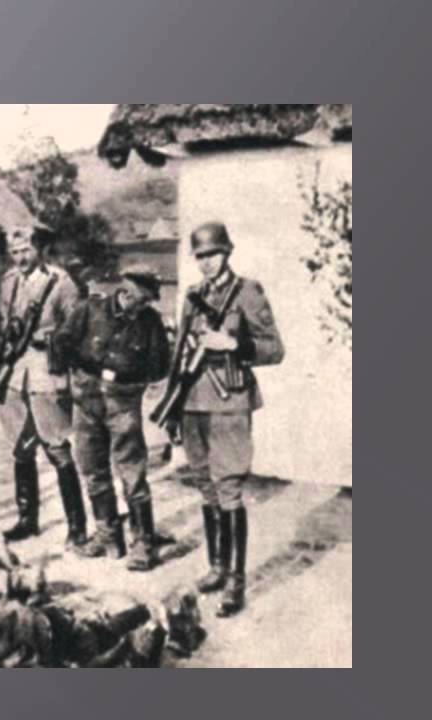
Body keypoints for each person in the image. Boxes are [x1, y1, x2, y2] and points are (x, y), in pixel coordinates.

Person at [178, 222, 285, 616]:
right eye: (200, 256)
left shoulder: (247, 292)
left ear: (227, 252)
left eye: (212, 254)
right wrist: (173, 405)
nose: (206, 262)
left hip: (229, 401)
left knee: (228, 489)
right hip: (193, 401)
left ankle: (235, 581)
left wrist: (234, 344)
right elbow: (180, 352)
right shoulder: (193, 296)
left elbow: (275, 349)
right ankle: (216, 568)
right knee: (205, 485)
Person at [55, 260, 170, 570]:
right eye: (140, 299)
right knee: (92, 470)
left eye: (147, 301)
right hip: (86, 403)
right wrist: (72, 376)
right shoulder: (90, 310)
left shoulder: (151, 323)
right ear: (126, 290)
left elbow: (160, 365)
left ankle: (143, 542)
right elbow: (61, 342)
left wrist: (133, 381)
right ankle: (108, 536)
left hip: (123, 404)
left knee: (132, 473)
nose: (142, 306)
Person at [0, 228, 87, 549]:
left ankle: (77, 526)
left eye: (25, 251)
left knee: (57, 448)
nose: (20, 258)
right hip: (15, 373)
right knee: (20, 447)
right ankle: (27, 519)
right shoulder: (9, 281)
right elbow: (4, 322)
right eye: (14, 252)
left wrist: (50, 341)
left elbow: (77, 329)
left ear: (40, 250)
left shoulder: (61, 283)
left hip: (47, 370)